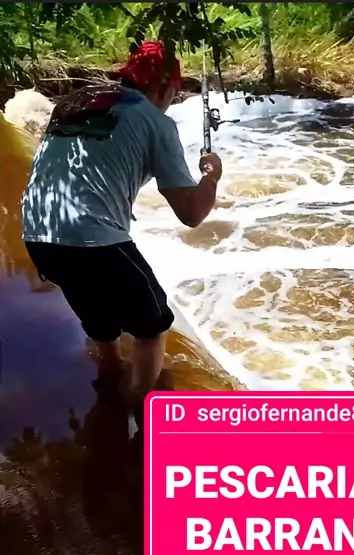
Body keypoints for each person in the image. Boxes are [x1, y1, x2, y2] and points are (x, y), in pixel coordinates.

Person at [21, 40, 222, 422]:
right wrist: (211, 175)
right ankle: (142, 406)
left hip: (38, 232)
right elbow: (192, 213)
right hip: (91, 238)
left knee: (99, 315)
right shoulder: (157, 122)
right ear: (165, 86)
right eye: (174, 91)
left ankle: (108, 377)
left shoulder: (73, 103)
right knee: (153, 321)